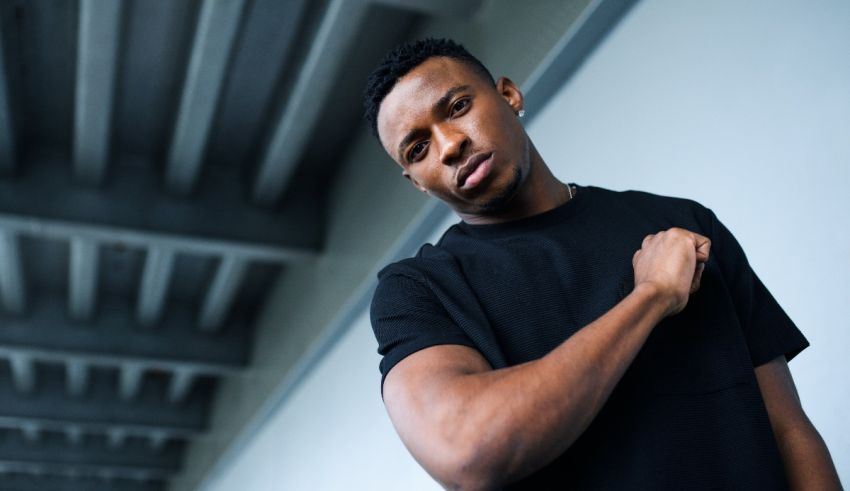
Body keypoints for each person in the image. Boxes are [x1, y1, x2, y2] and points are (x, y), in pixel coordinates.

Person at [363, 38, 841, 490]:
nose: (449, 146)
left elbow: (788, 428)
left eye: (458, 107)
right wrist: (651, 297)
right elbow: (467, 450)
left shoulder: (681, 222)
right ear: (417, 183)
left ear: (508, 94)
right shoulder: (420, 290)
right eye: (418, 149)